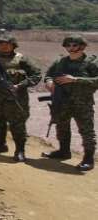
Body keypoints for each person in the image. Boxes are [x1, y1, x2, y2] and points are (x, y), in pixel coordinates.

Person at [0, 34, 41, 162]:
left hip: (15, 97)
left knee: (17, 125)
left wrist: (20, 85)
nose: (4, 46)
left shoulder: (21, 59)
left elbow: (36, 75)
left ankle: (20, 150)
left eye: (7, 44)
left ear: (13, 45)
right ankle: (0, 145)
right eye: (1, 44)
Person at [41, 35, 98, 171]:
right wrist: (48, 81)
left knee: (86, 131)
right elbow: (49, 74)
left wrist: (75, 79)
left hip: (82, 102)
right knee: (61, 126)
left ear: (82, 46)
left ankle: (88, 159)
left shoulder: (91, 63)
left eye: (74, 45)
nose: (71, 48)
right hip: (61, 101)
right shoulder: (60, 62)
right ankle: (63, 151)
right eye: (68, 45)